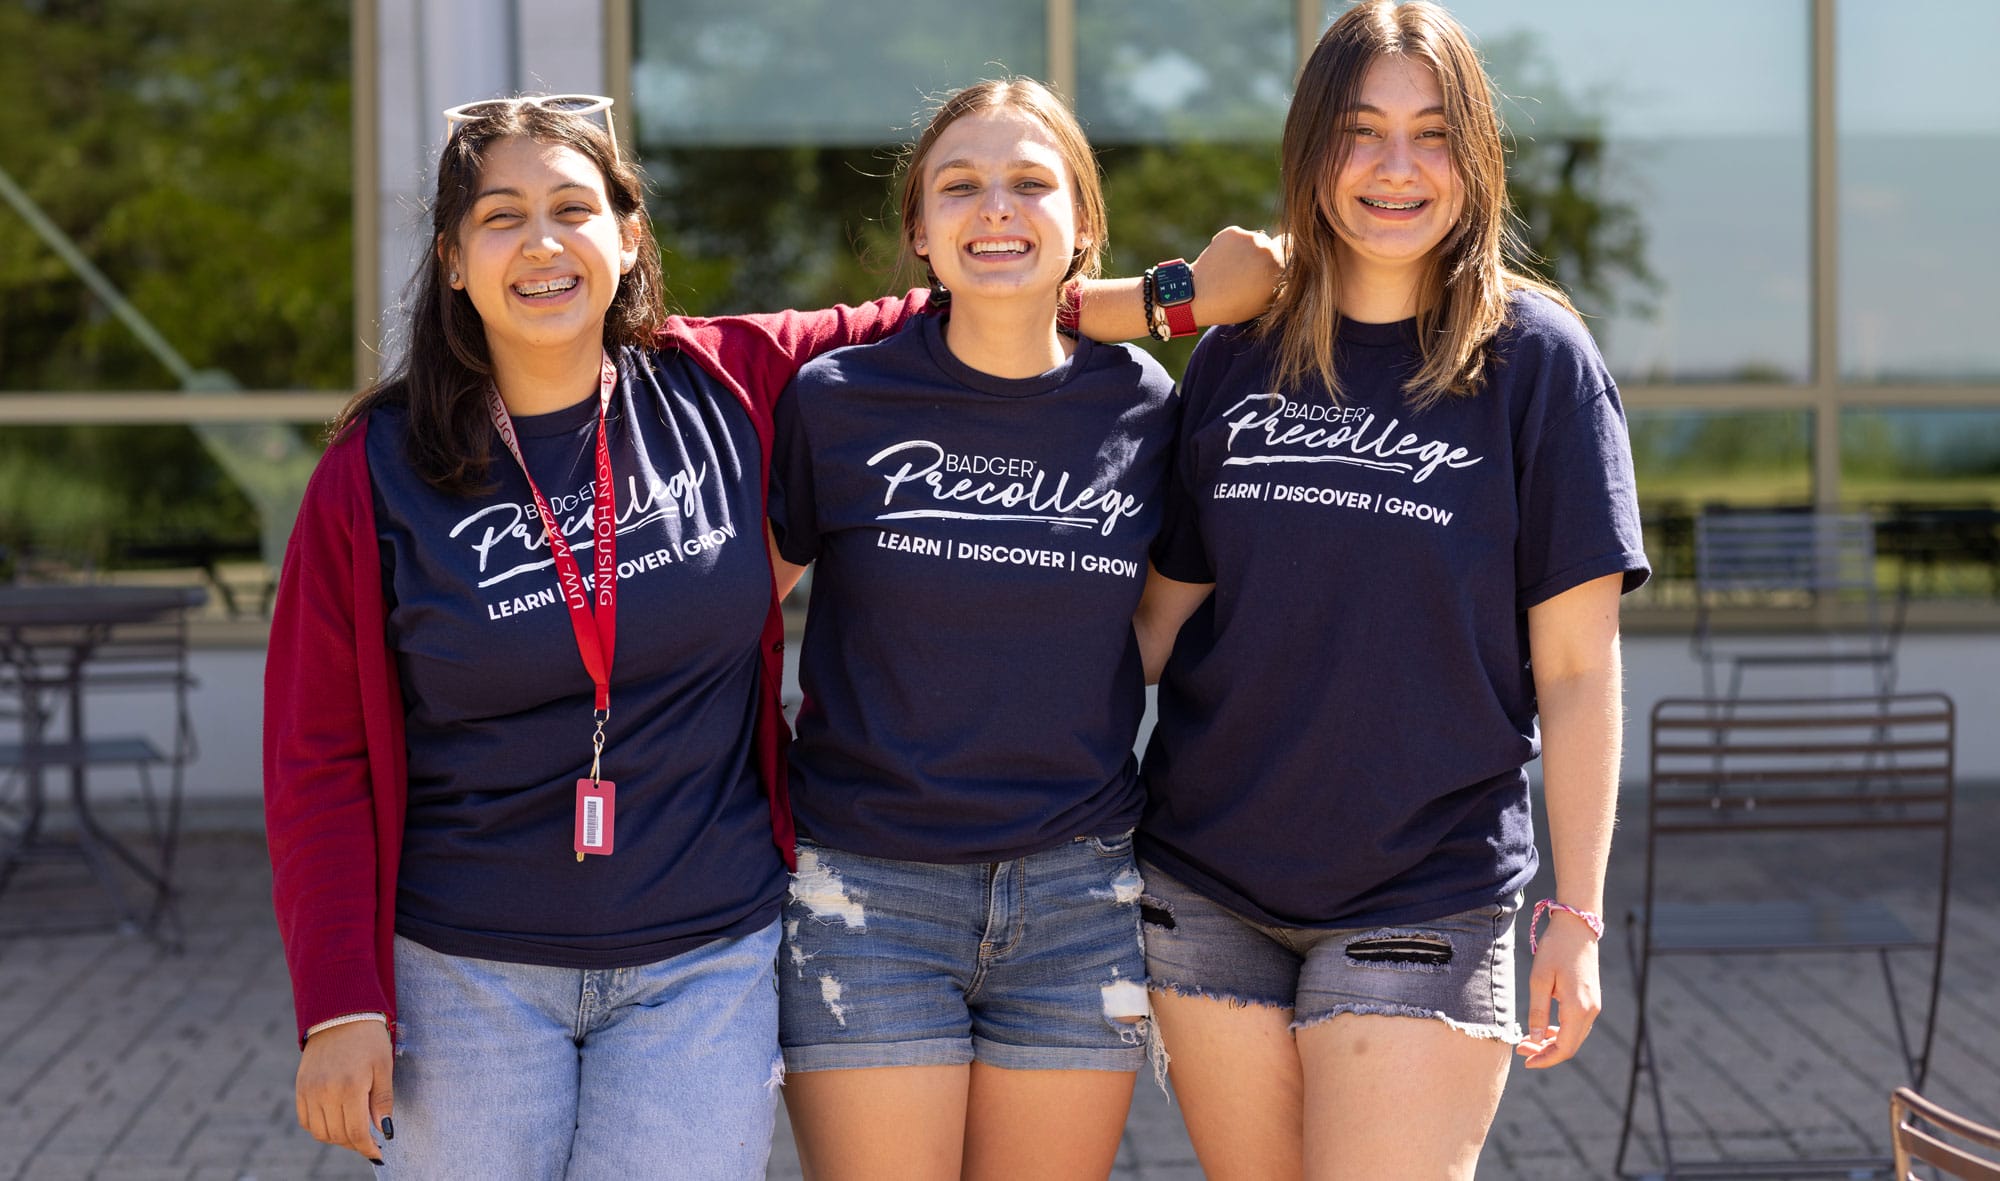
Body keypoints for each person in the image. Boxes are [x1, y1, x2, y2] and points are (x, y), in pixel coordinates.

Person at [263, 95, 1279, 1177]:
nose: (545, 241)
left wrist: (1177, 301)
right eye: (502, 216)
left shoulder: (718, 384)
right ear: (453, 260)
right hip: (469, 963)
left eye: (573, 206)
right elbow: (315, 757)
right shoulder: (372, 475)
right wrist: (339, 1004)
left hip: (704, 957)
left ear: (628, 236)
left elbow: (982, 301)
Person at [1128, 4, 1651, 1178]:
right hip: (1203, 886)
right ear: (1311, 151)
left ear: (1475, 157)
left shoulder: (1537, 366)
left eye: (1430, 133)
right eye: (1360, 131)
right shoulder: (1232, 354)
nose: (1394, 168)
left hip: (1424, 886)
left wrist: (1577, 914)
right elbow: (1155, 625)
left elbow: (1574, 671)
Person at [763, 79, 1273, 1181]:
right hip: (865, 889)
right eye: (960, 186)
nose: (995, 209)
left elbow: (1149, 628)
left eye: (1028, 184)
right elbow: (728, 623)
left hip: (1075, 891)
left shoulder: (1141, 405)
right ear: (917, 230)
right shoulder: (837, 399)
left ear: (1082, 227)